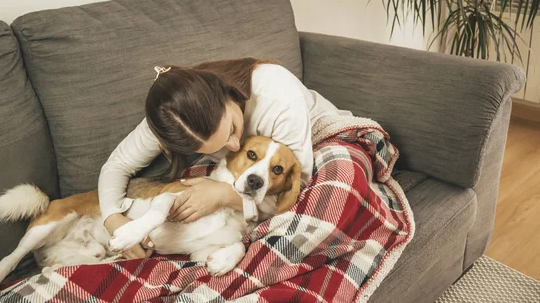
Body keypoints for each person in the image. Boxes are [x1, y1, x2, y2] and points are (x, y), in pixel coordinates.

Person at [98, 58, 351, 259]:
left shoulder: (278, 100)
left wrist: (223, 196)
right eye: (213, 148)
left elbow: (299, 197)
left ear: (227, 95)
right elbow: (117, 165)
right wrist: (112, 219)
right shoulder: (175, 115)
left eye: (231, 129)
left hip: (325, 142)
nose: (234, 145)